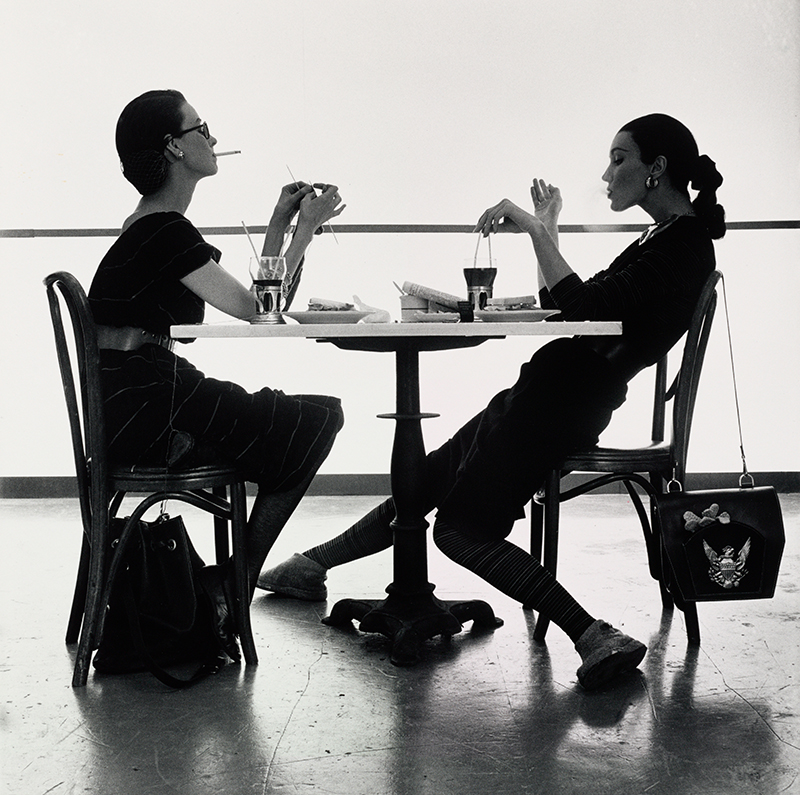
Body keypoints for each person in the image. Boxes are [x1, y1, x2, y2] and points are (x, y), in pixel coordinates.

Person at [257, 113, 726, 689]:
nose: (606, 174)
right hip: (548, 394)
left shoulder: (681, 247)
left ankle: (592, 634)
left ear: (657, 169)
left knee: (456, 530)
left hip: (563, 409)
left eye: (619, 159)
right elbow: (582, 303)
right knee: (424, 479)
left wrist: (534, 227)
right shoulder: (664, 240)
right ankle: (313, 565)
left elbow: (579, 307)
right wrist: (548, 229)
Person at [88, 89, 346, 660]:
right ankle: (238, 581)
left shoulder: (151, 226)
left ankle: (232, 580)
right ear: (175, 148)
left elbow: (261, 301)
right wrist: (305, 229)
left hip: (138, 400)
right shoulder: (164, 231)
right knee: (319, 418)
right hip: (153, 402)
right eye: (202, 127)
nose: (212, 138)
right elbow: (260, 310)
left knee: (303, 420)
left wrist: (281, 223)